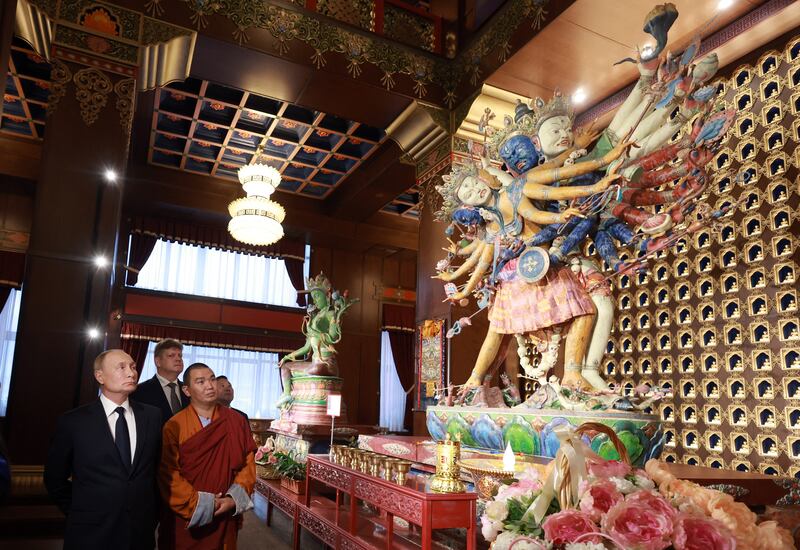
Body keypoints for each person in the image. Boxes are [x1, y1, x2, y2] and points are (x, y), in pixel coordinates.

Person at [44, 349, 162, 550]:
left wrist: (151, 513)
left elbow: (158, 470)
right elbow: (54, 478)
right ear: (100, 376)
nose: (131, 373)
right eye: (121, 367)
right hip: (90, 533)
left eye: (133, 367)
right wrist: (81, 510)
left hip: (140, 533)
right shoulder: (74, 421)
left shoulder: (152, 416)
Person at [159, 362, 256, 549]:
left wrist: (231, 500)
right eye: (200, 381)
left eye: (212, 379)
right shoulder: (175, 425)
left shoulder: (236, 421)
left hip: (226, 510)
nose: (210, 386)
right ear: (187, 390)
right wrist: (202, 504)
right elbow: (168, 474)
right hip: (188, 513)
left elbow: (248, 465)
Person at [131, 339, 188, 425]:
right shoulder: (139, 391)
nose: (178, 359)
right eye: (171, 355)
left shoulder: (189, 390)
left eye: (180, 355)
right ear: (158, 362)